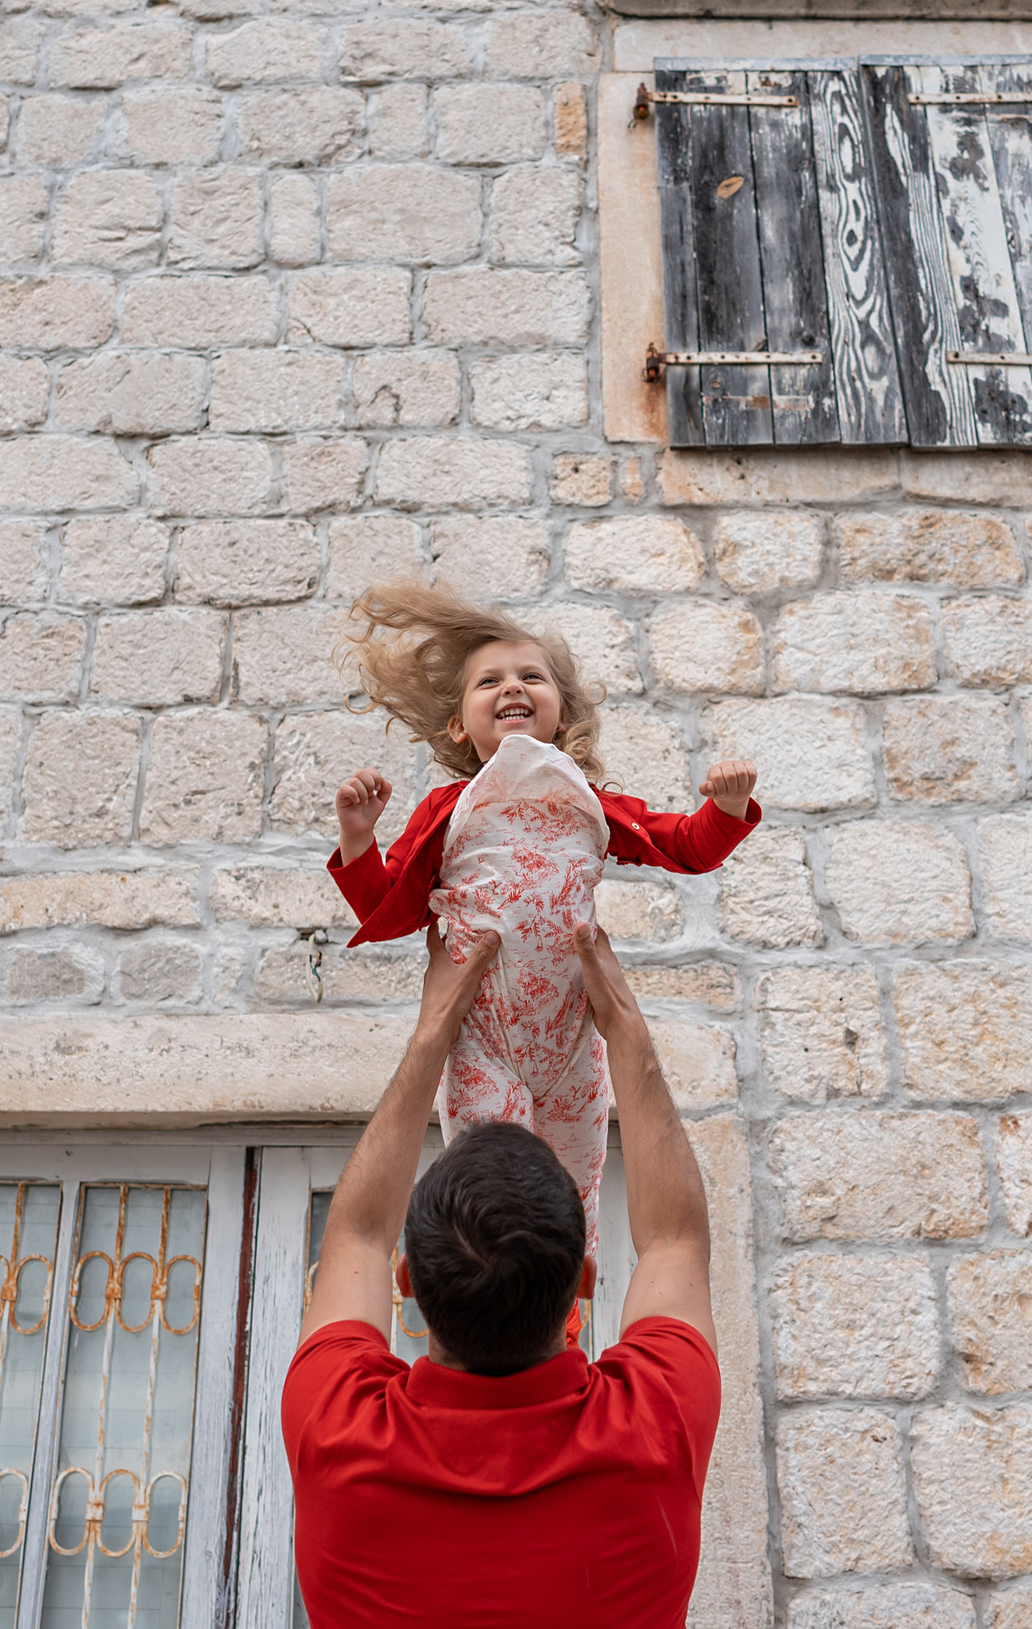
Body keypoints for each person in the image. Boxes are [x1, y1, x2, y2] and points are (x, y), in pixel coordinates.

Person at [282, 919, 719, 1628]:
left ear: (407, 1283)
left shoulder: (335, 1432)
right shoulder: (655, 1429)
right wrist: (626, 1032)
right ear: (584, 1280)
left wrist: (433, 1033)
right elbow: (675, 1239)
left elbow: (357, 1235)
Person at [330, 583, 758, 1268]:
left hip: (571, 1043)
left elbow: (683, 845)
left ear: (560, 714)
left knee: (572, 1200)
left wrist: (727, 810)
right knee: (491, 1195)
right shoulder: (450, 809)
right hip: (486, 1041)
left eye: (532, 677)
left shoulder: (587, 801)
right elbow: (394, 909)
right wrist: (358, 838)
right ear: (459, 728)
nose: (513, 686)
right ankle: (473, 1300)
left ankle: (567, 1307)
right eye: (490, 681)